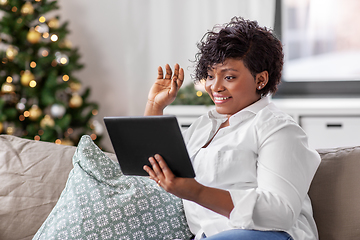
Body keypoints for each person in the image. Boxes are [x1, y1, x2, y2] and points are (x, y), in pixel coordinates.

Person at [143, 17, 321, 240]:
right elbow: (156, 165)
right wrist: (155, 105)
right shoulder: (203, 126)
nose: (215, 86)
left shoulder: (278, 129)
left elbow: (280, 212)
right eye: (209, 75)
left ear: (261, 79)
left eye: (229, 77)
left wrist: (196, 191)